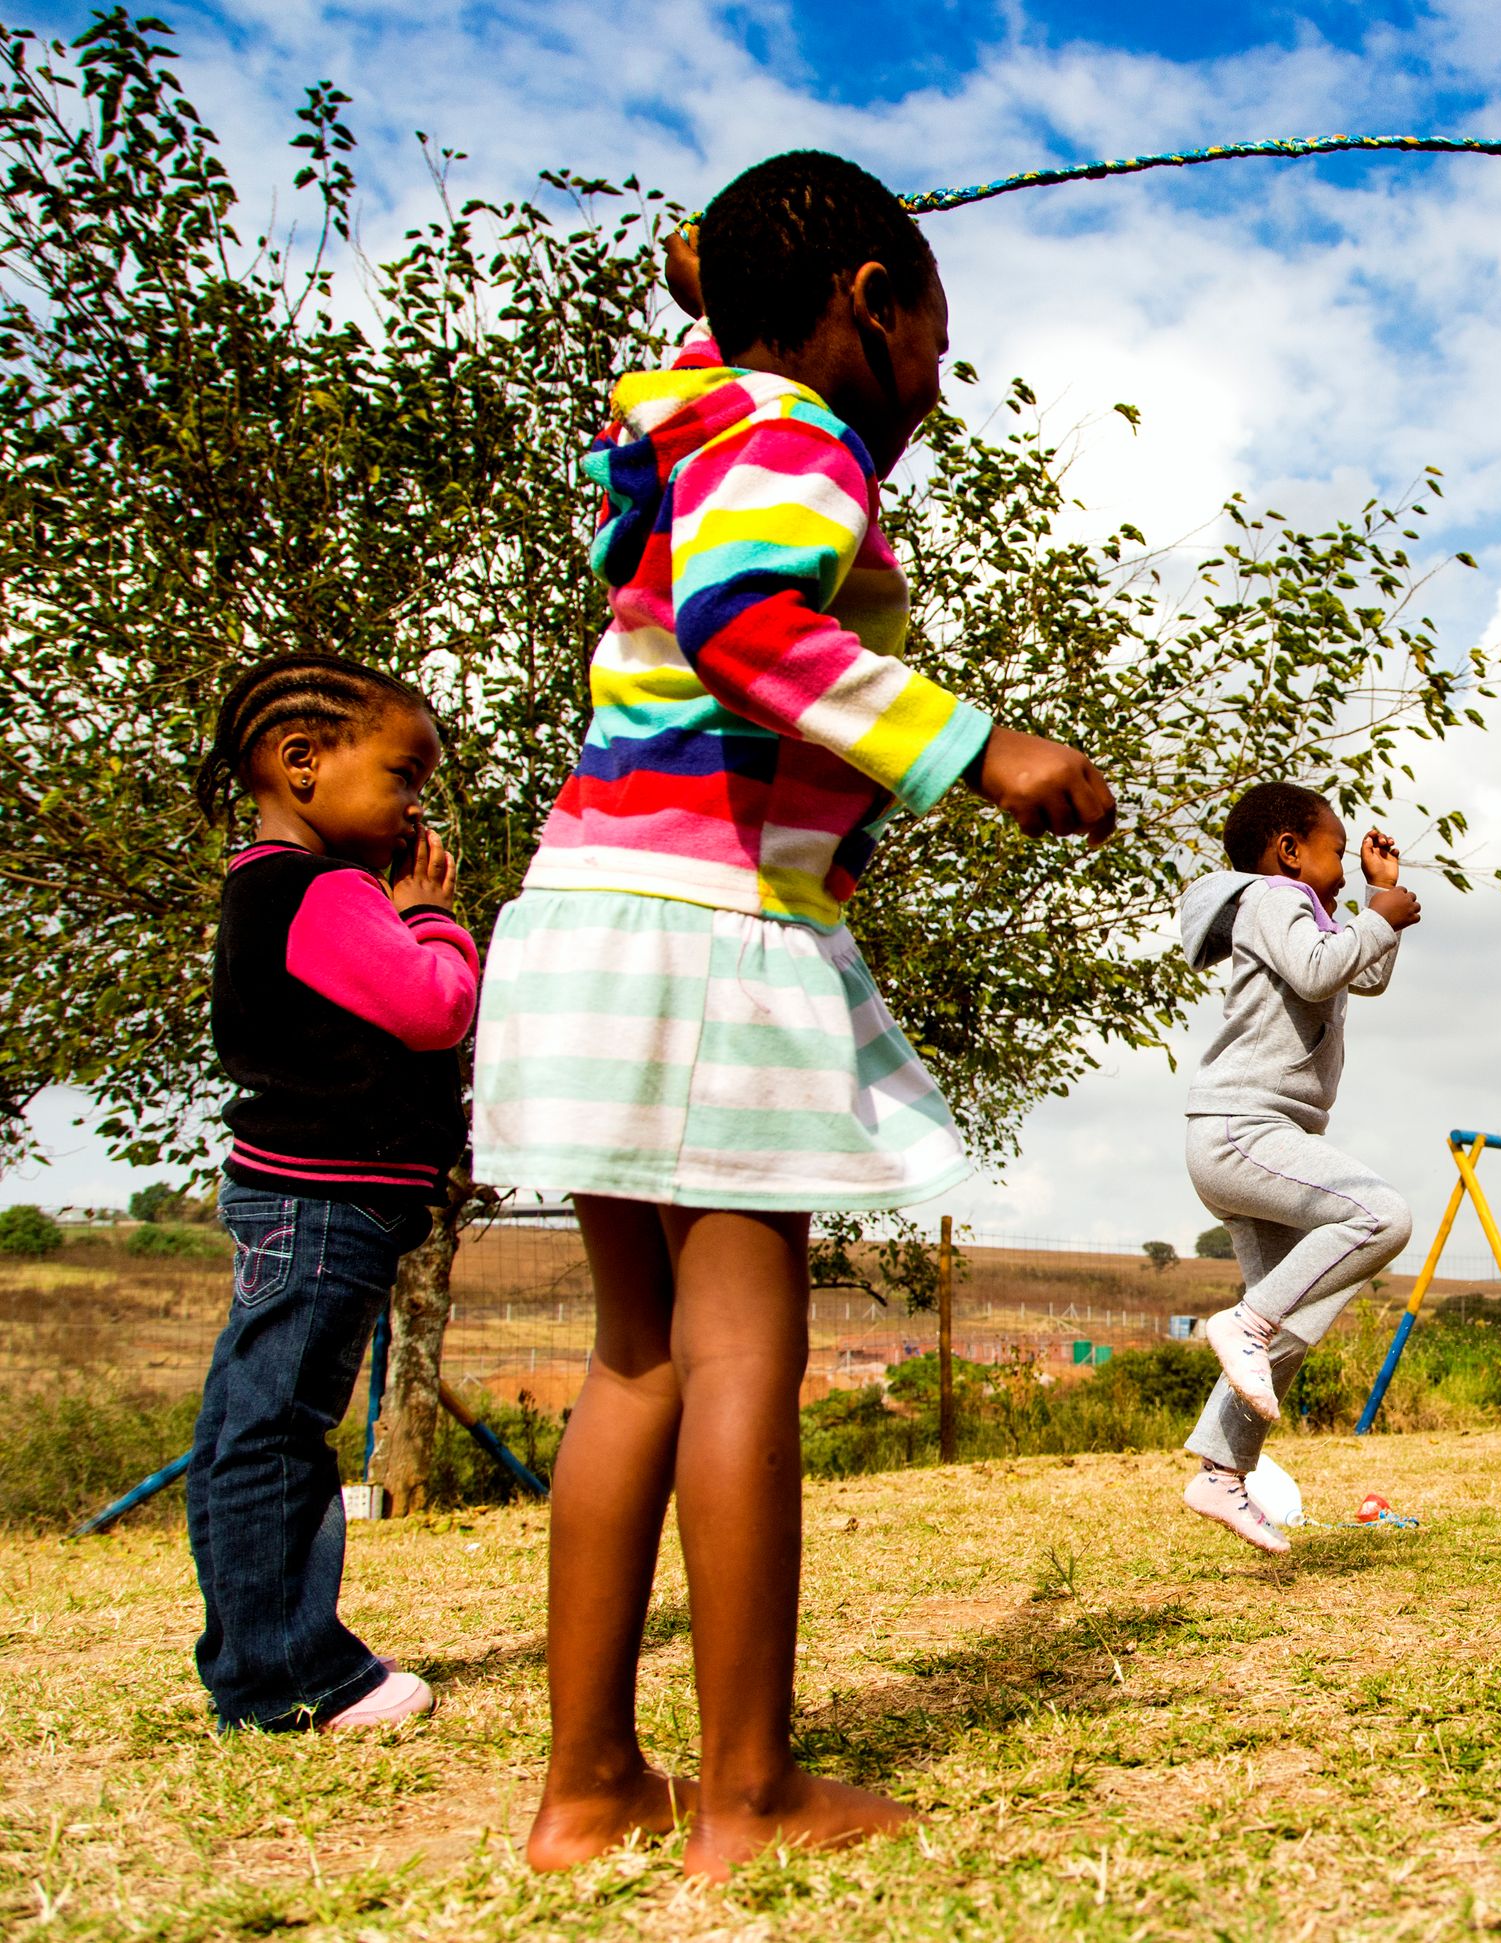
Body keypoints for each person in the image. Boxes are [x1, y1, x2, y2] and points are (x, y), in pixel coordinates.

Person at [470, 152, 1115, 1878]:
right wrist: (984, 748)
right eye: (931, 350)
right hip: (706, 932)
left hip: (591, 915)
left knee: (638, 1355)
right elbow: (746, 624)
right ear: (870, 307)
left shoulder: (689, 427)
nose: (929, 393)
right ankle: (747, 1793)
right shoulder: (792, 439)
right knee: (745, 1345)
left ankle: (590, 1783)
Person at [188, 653, 480, 1732]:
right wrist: (431, 913)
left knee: (245, 1429)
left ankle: (251, 1658)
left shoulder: (262, 885)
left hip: (290, 1199)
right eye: (404, 775)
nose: (416, 804)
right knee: (279, 1431)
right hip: (325, 1203)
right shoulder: (323, 891)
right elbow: (431, 1007)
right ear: (302, 762)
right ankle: (291, 1672)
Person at [1176, 783, 1420, 1551]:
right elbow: (1322, 970)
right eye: (1338, 851)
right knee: (1382, 1215)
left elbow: (1363, 973)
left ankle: (1220, 1470)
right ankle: (1243, 1322)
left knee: (1299, 1315)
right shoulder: (1271, 899)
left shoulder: (1304, 913)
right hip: (1243, 1129)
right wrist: (1376, 915)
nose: (1345, 868)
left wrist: (1380, 900)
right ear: (1289, 850)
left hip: (1258, 1139)